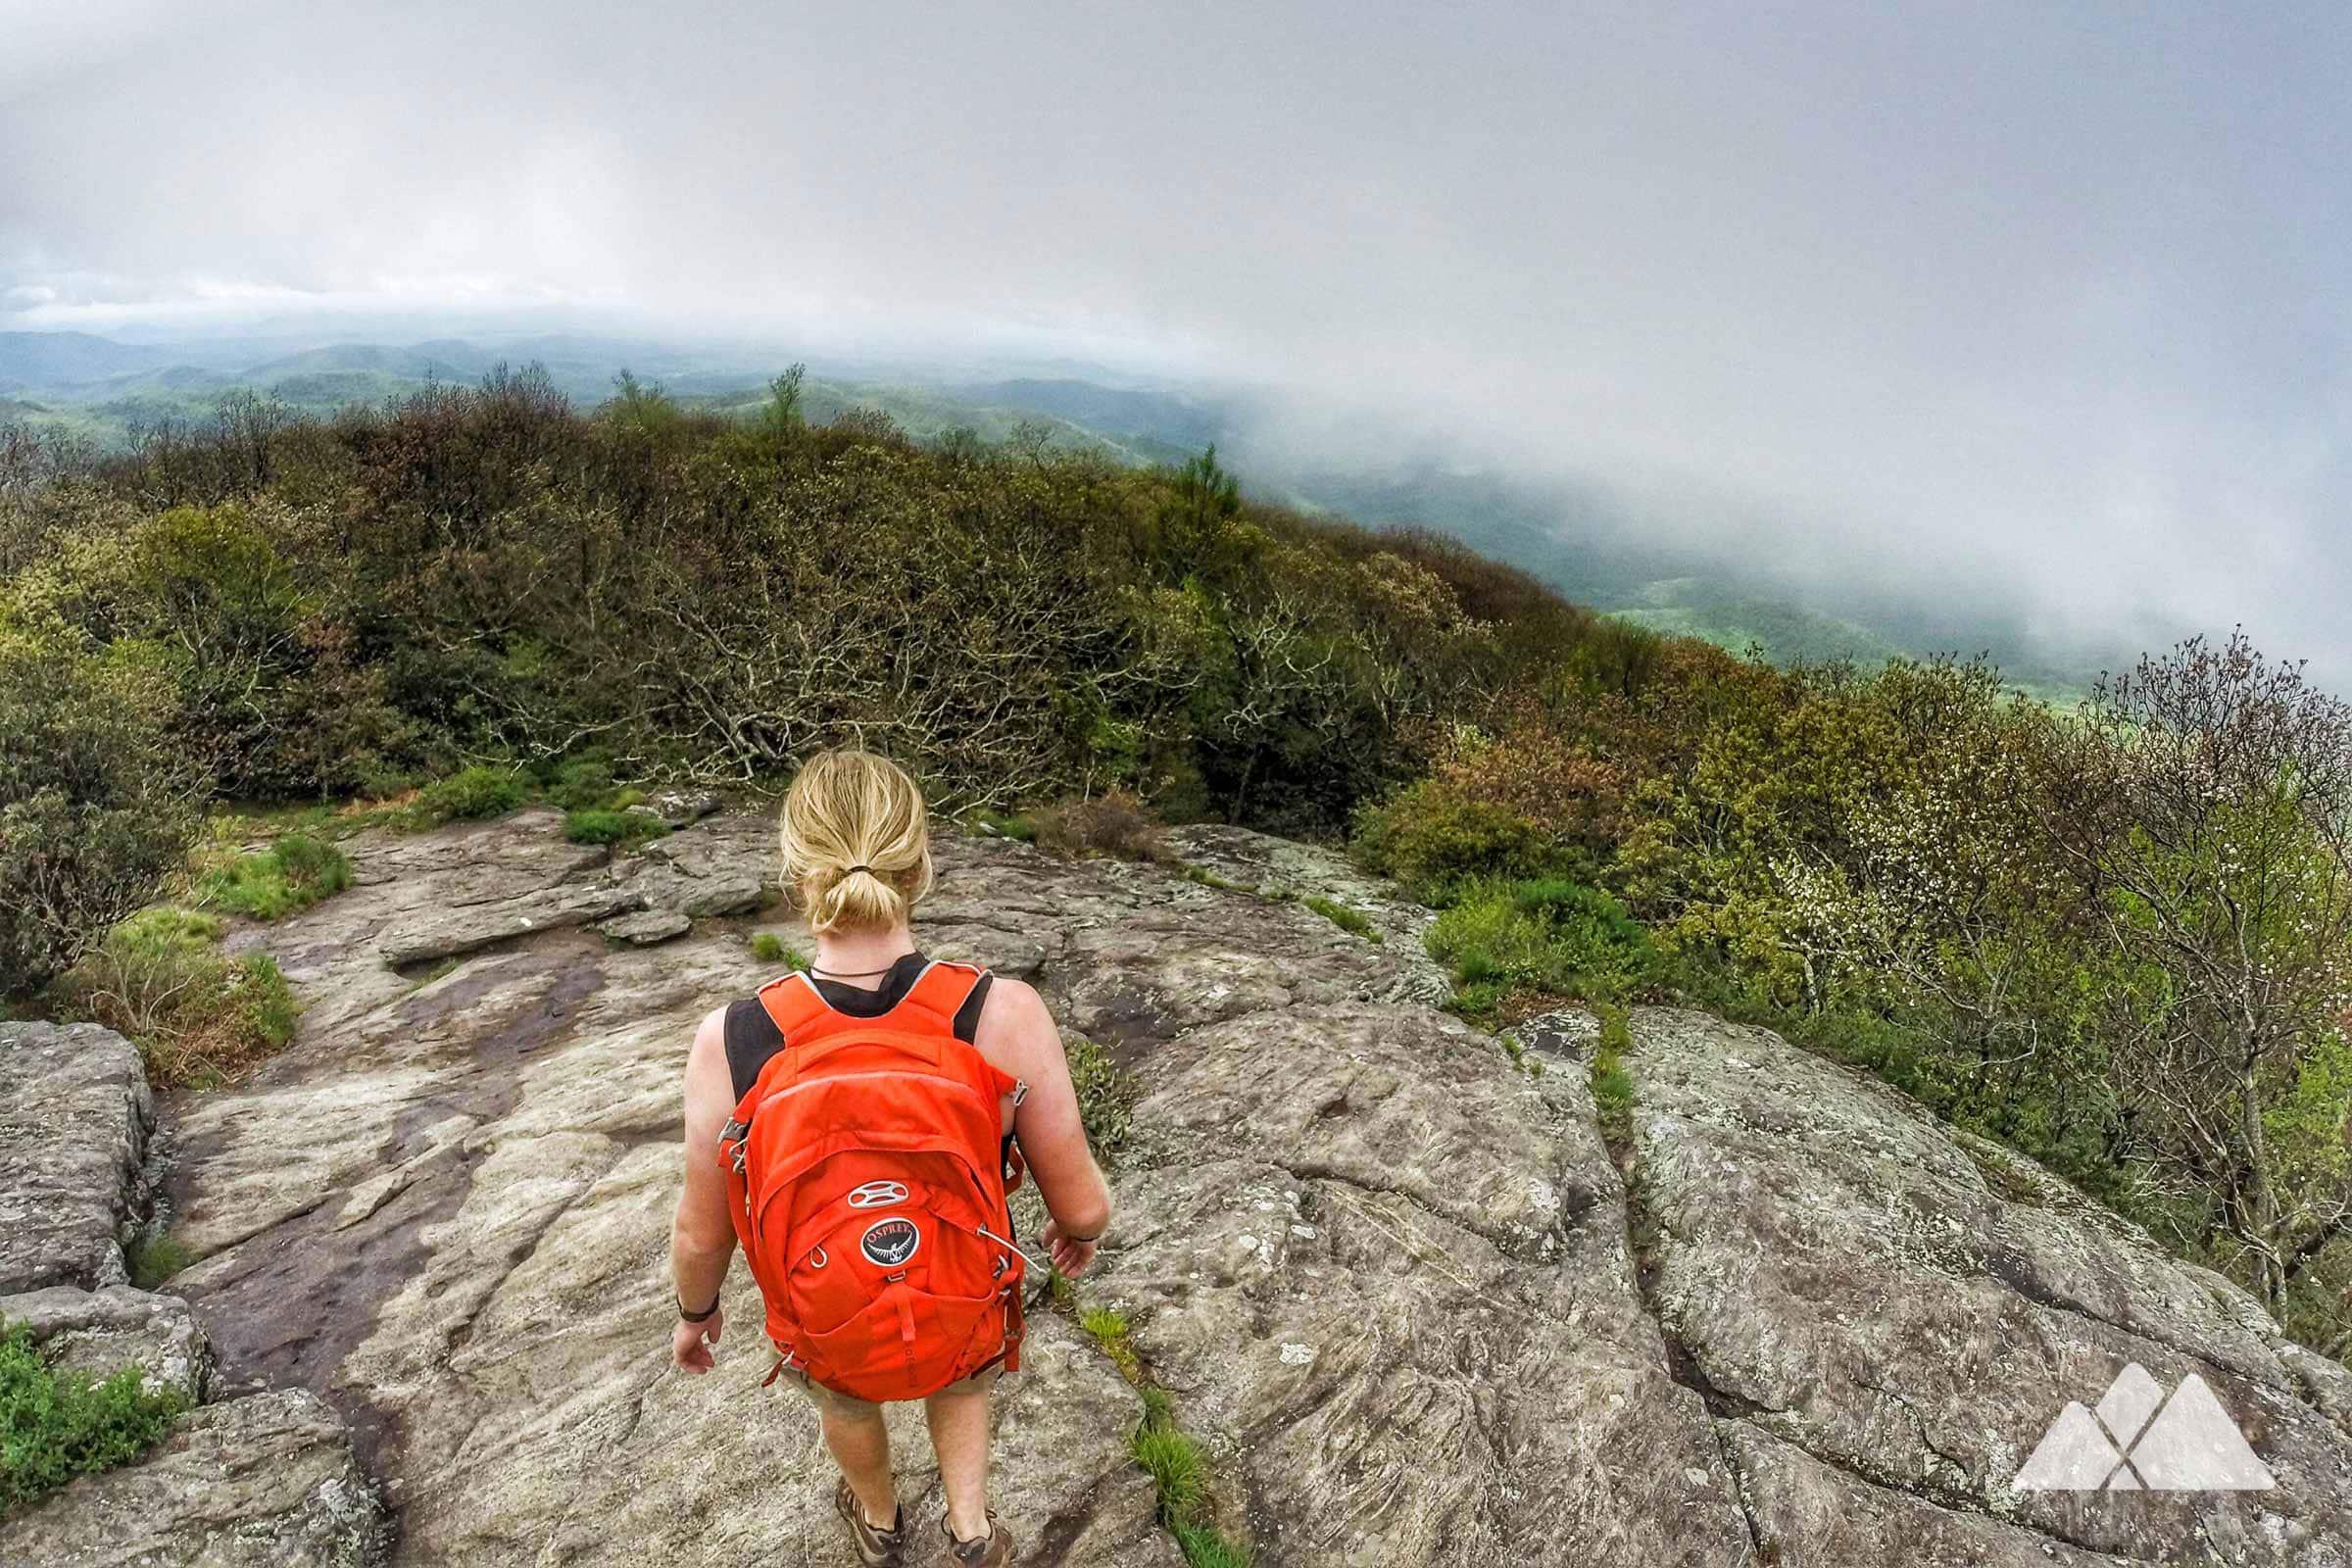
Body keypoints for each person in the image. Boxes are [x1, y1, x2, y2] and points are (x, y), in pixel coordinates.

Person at [667, 748, 1112, 1567]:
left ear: (797, 871)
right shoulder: (998, 1011)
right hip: (959, 1287)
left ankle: (877, 1520)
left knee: (845, 1397)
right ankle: (972, 1531)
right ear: (921, 866)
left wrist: (697, 1315)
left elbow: (703, 1231)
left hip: (823, 1306)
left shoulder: (733, 1038)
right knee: (964, 1374)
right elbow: (1080, 1203)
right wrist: (1079, 1230)